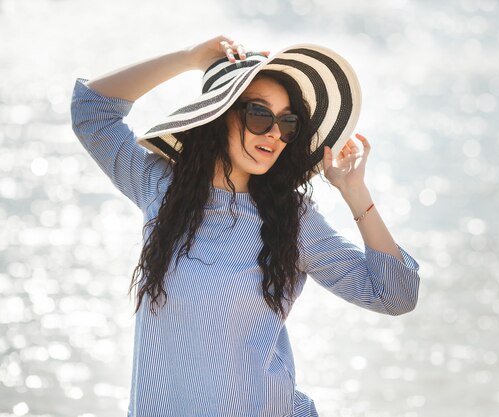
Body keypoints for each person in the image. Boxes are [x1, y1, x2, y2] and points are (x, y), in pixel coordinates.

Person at [70, 35, 420, 417]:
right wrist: (189, 57)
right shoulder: (159, 188)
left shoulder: (292, 218)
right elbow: (92, 108)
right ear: (218, 116)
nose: (274, 133)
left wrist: (355, 193)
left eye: (287, 123)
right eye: (259, 115)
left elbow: (395, 295)